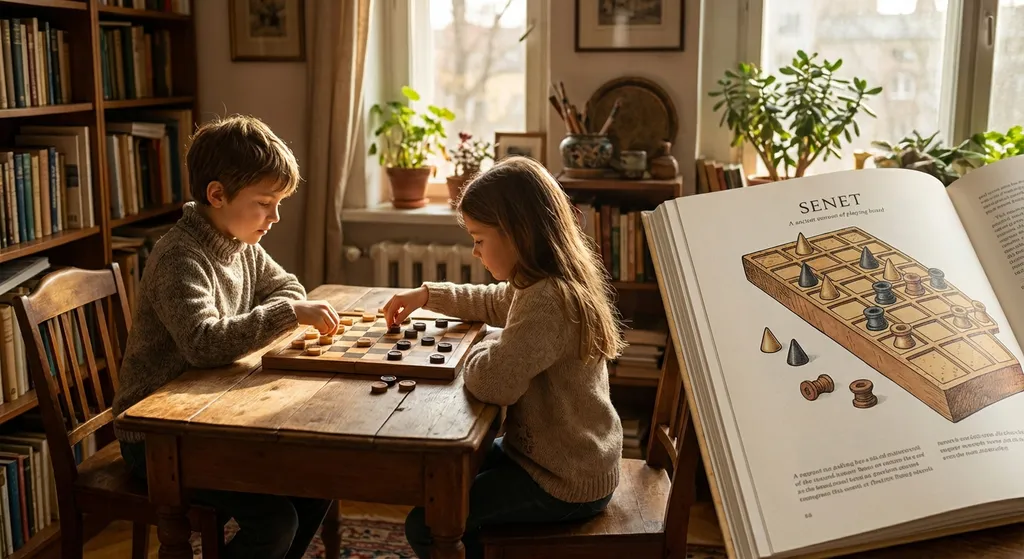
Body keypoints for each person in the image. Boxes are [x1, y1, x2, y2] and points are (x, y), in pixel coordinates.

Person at [111, 114, 339, 559]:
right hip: (158, 439)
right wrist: (286, 314)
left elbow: (288, 286)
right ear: (217, 194)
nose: (275, 216)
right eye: (265, 202)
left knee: (317, 483)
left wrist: (283, 307)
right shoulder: (179, 257)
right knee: (275, 521)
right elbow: (204, 343)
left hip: (210, 419)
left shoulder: (240, 243)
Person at [384, 156, 625, 559]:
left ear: (516, 234)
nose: (475, 252)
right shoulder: (539, 280)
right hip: (551, 456)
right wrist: (427, 294)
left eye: (479, 240)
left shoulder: (549, 300)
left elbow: (494, 382)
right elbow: (493, 302)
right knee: (441, 480)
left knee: (426, 523)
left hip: (564, 480)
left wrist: (481, 347)